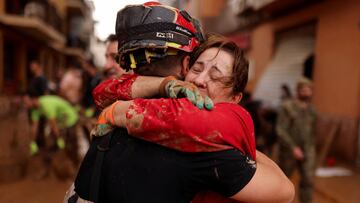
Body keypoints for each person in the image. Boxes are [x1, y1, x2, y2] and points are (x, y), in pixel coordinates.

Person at [70, 2, 294, 203]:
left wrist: (117, 112)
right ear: (187, 67)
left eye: (216, 77)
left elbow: (285, 191)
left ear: (236, 99)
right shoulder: (194, 140)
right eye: (197, 68)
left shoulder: (219, 128)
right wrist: (162, 85)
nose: (201, 80)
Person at [276, 77, 317, 203]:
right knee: (282, 181)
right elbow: (280, 129)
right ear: (298, 91)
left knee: (308, 182)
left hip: (307, 151)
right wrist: (293, 147)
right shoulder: (287, 107)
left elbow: (312, 132)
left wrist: (311, 150)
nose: (307, 92)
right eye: (304, 89)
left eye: (309, 89)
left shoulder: (312, 110)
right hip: (289, 151)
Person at [24, 94, 81, 166]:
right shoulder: (34, 110)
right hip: (60, 121)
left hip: (69, 118)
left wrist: (59, 138)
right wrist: (32, 142)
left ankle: (75, 162)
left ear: (33, 99)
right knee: (55, 139)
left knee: (71, 141)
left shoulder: (46, 106)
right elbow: (34, 127)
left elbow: (53, 125)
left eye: (26, 103)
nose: (25, 106)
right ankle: (61, 158)